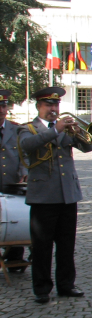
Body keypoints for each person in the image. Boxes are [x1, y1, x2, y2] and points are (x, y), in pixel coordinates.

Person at [18, 87, 92, 304]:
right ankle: (41, 288)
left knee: (66, 244)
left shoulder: (64, 129)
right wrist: (56, 130)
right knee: (42, 245)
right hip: (43, 196)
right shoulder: (28, 129)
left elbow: (88, 147)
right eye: (49, 105)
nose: (53, 109)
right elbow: (27, 146)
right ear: (38, 107)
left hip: (67, 194)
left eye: (56, 105)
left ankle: (66, 284)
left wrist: (78, 132)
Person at [0, 89, 27, 266]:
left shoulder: (16, 129)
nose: (2, 110)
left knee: (15, 217)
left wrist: (25, 173)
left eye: (4, 106)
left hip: (11, 182)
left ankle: (15, 256)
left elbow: (24, 154)